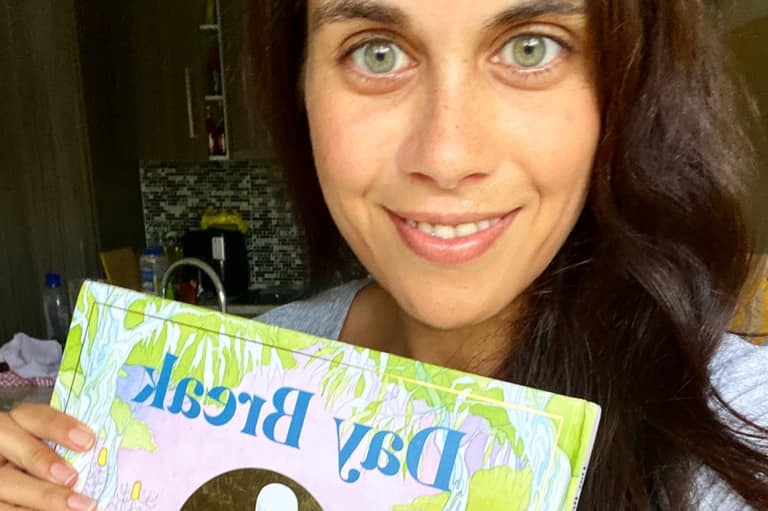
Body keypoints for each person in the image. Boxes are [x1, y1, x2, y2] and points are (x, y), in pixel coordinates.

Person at [0, 0, 766, 509]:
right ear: (298, 83)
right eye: (376, 52)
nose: (446, 152)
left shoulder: (738, 431)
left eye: (531, 47)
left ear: (623, 85)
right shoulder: (249, 363)